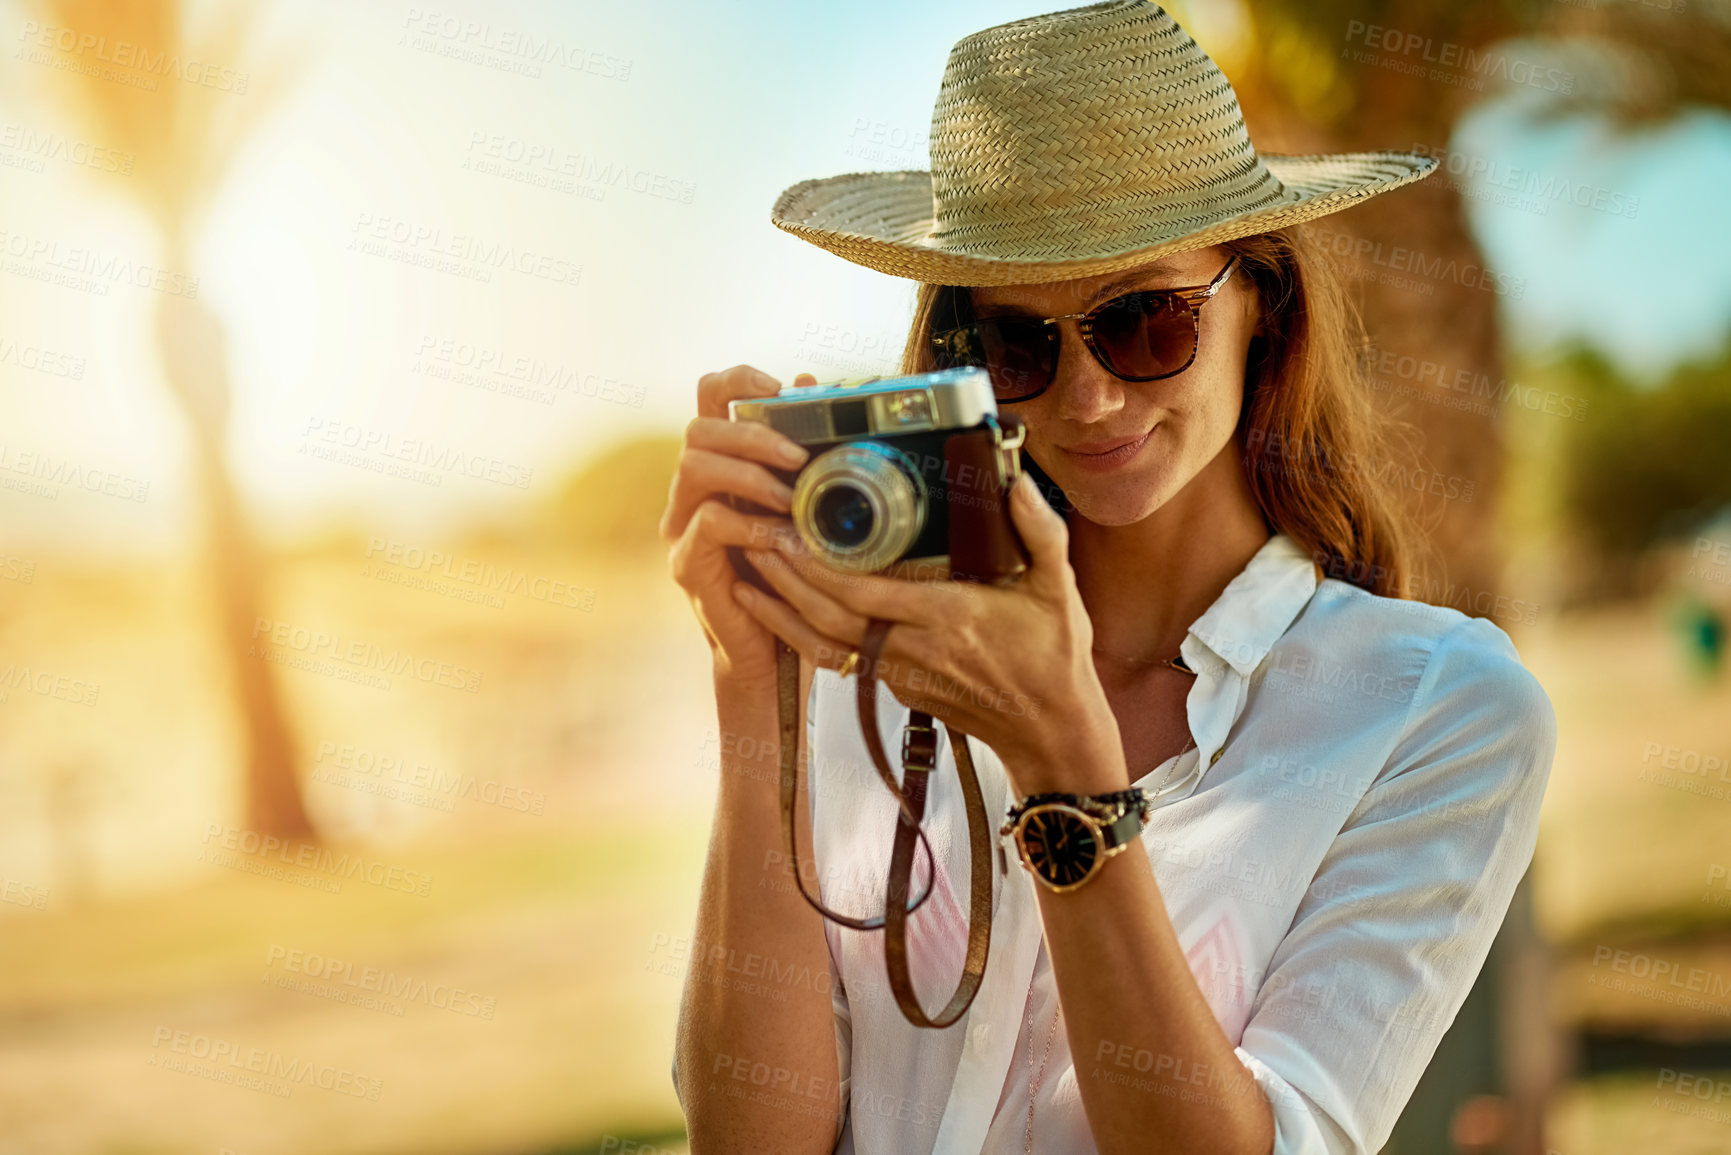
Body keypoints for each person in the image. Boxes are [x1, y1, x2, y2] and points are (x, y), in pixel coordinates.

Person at [660, 3, 1557, 1153]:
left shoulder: (1437, 708)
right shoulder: (873, 662)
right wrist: (758, 688)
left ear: (1262, 308)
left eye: (1144, 324)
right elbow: (750, 1143)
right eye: (1021, 343)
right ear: (961, 360)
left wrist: (1062, 763)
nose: (1087, 399)